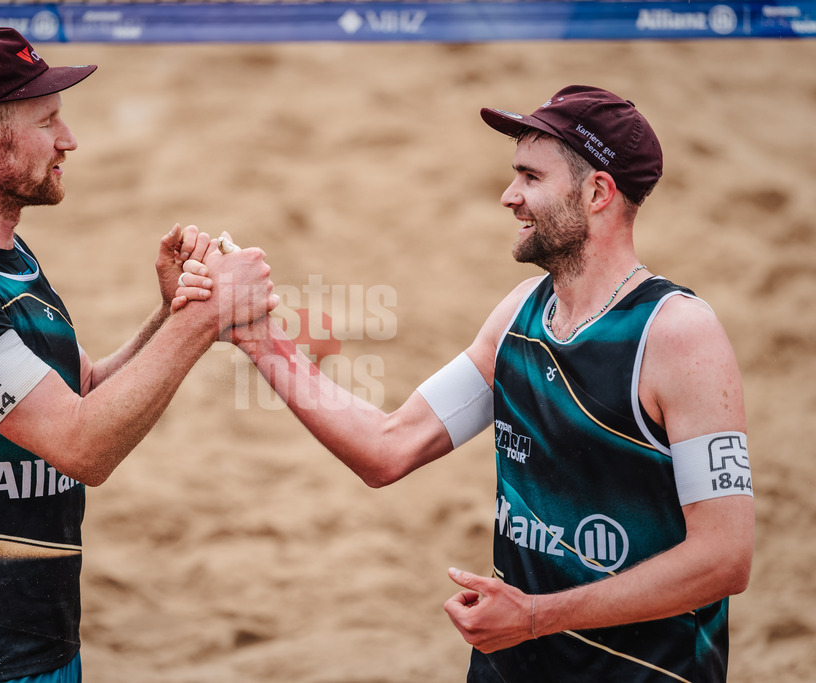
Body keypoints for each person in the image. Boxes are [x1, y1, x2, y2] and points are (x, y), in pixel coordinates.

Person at [176, 85, 753, 681]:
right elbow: (389, 447)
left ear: (598, 192)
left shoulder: (680, 334)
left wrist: (535, 615)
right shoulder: (520, 315)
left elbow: (725, 559)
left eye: (531, 177)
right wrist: (255, 334)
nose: (509, 197)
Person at [0, 27, 276, 683]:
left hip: (45, 649)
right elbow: (82, 446)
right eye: (48, 119)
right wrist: (203, 320)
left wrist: (171, 316)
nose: (69, 139)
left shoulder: (12, 261)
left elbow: (77, 394)